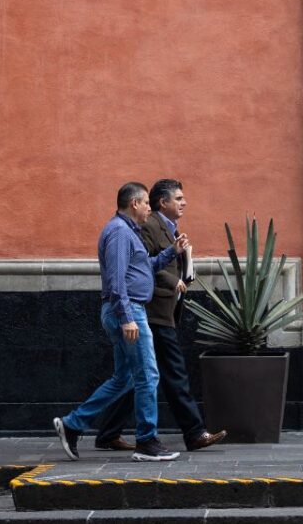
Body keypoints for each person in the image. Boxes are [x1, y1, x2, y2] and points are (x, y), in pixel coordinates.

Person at [52, 182, 188, 462]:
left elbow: (142, 268)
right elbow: (115, 281)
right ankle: (147, 441)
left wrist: (170, 252)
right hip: (128, 312)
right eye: (146, 204)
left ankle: (72, 424)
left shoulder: (130, 233)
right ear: (134, 204)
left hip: (128, 311)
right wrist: (127, 318)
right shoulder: (118, 233)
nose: (150, 208)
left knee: (124, 378)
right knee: (148, 375)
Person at [94, 179, 227, 452]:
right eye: (178, 198)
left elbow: (151, 261)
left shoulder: (167, 228)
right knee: (168, 372)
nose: (184, 202)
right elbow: (136, 267)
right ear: (161, 203)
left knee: (136, 375)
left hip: (158, 310)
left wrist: (179, 260)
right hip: (148, 310)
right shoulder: (144, 226)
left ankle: (107, 432)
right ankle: (193, 432)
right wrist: (170, 281)